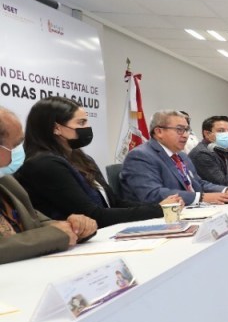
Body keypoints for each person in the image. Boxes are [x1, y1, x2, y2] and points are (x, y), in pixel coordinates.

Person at [17, 96, 178, 227]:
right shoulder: (44, 164)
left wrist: (159, 207)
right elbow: (93, 215)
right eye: (81, 123)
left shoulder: (81, 158)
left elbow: (113, 202)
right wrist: (157, 210)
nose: (87, 127)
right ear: (56, 128)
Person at [1, 105, 97, 264]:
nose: (20, 150)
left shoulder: (7, 181)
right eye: (16, 144)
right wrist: (56, 235)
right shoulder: (44, 163)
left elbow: (35, 220)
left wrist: (76, 226)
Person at [121, 110, 228, 205]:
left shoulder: (181, 155)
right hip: (158, 218)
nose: (186, 135)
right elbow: (152, 193)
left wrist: (226, 191)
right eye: (179, 130)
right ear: (159, 132)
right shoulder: (141, 156)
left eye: (187, 130)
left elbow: (197, 183)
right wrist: (200, 197)